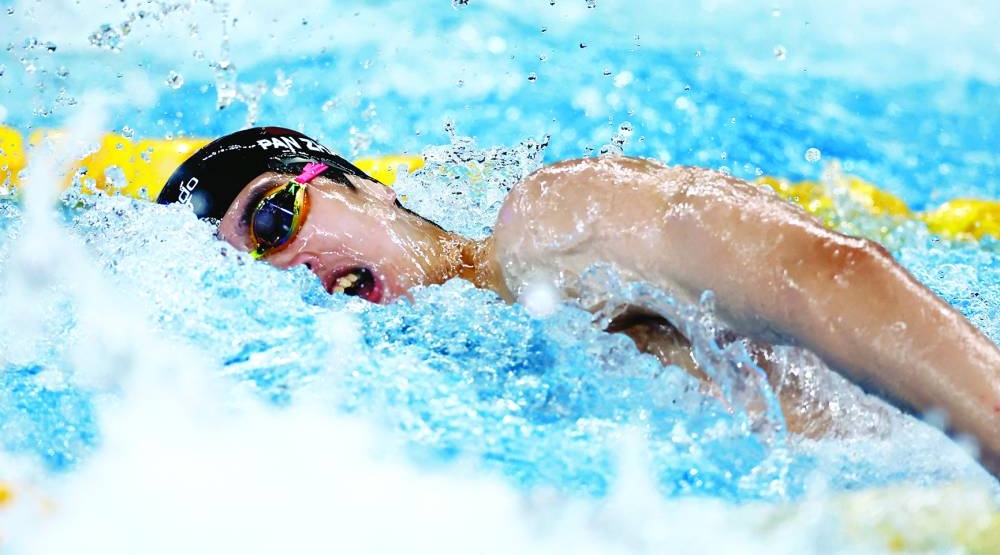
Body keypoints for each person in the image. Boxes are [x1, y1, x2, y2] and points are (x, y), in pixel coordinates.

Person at [157, 126, 1000, 477]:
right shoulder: (415, 431)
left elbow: (823, 273)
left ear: (369, 188)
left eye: (275, 216)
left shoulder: (551, 227)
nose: (289, 266)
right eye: (249, 273)